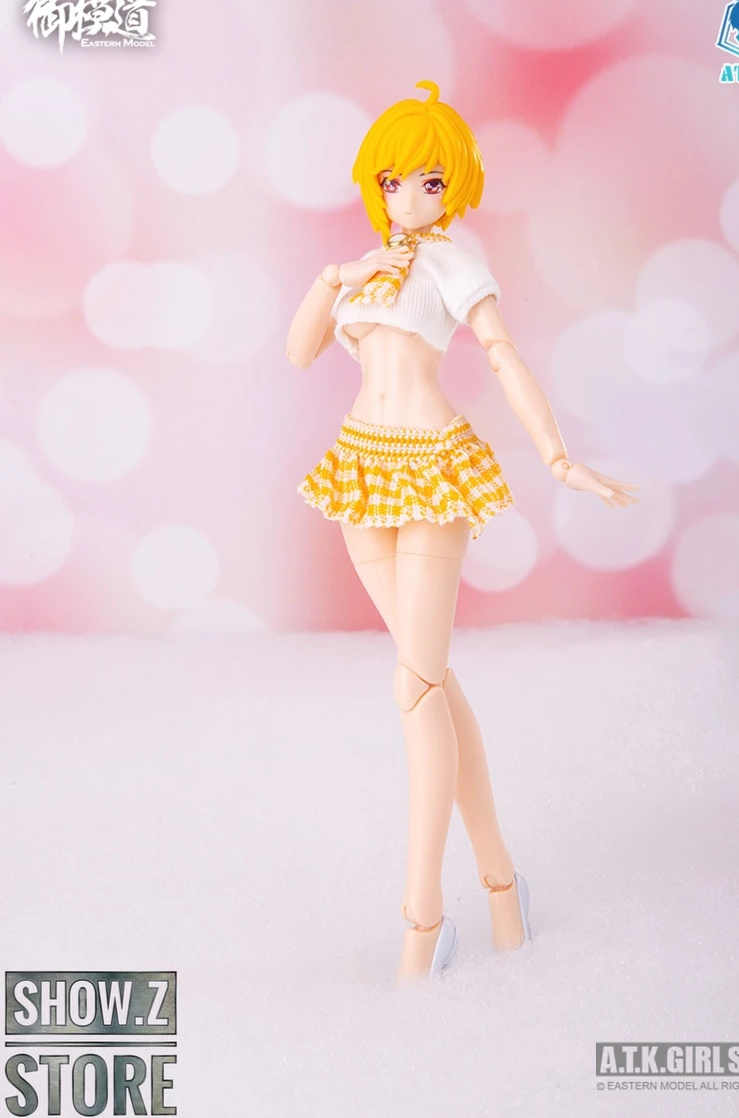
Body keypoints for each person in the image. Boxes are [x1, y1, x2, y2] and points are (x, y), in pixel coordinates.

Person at [287, 80, 639, 984]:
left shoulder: (451, 265)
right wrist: (335, 278)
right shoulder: (366, 268)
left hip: (431, 468)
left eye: (430, 182)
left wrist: (559, 457)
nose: (410, 197)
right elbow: (299, 351)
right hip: (362, 471)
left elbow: (502, 353)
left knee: (414, 687)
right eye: (394, 180)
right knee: (432, 683)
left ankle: (424, 915)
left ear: (454, 187)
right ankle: (502, 885)